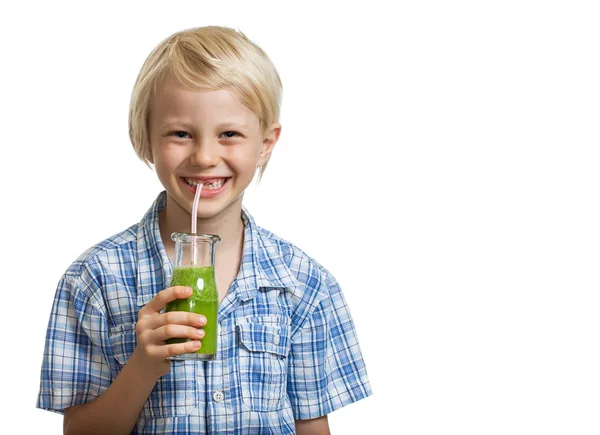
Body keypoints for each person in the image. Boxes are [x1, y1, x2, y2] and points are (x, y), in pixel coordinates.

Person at [37, 25, 372, 434]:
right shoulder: (95, 279)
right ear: (146, 139)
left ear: (266, 143)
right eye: (181, 134)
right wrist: (142, 368)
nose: (205, 156)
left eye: (229, 134)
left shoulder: (305, 285)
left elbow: (311, 428)